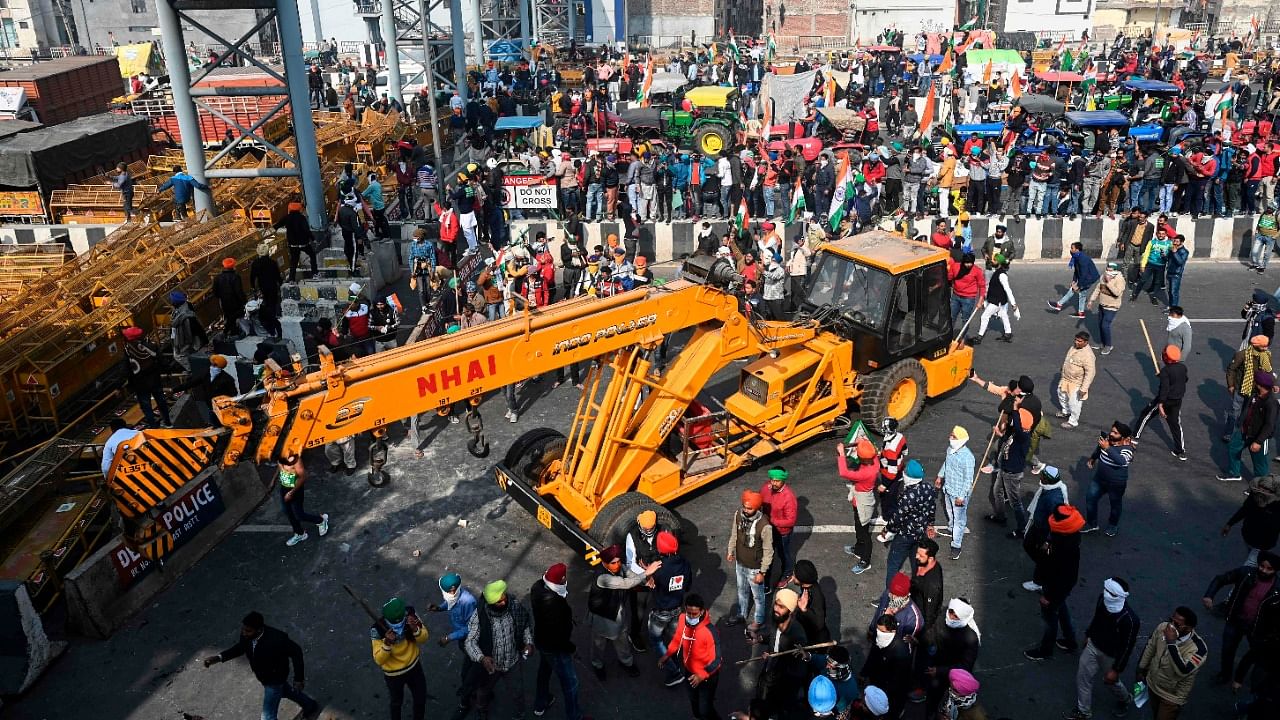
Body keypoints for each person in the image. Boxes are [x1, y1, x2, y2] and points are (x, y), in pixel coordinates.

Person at [202, 611, 319, 720]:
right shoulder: (246, 635)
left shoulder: (277, 639)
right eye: (243, 629)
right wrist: (218, 658)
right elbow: (240, 648)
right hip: (265, 678)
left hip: (274, 680)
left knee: (267, 717)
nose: (244, 633)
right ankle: (310, 705)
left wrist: (299, 679)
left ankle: (309, 705)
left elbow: (296, 652)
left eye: (248, 631)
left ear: (259, 630)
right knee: (285, 691)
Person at [1201, 551, 1279, 684]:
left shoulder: (1277, 589)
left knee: (1257, 653)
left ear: (1275, 570)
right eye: (1262, 566)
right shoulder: (1246, 573)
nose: (1264, 570)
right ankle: (1225, 675)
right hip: (1236, 620)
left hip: (1257, 627)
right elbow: (1221, 579)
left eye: (1269, 569)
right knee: (1227, 649)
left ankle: (1248, 679)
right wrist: (1209, 595)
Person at [1066, 578, 1140, 720]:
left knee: (1111, 682)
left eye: (1110, 593)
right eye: (1106, 590)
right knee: (1083, 677)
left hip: (1111, 656)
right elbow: (1097, 619)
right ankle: (1084, 711)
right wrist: (1089, 635)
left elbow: (1127, 647)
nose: (1106, 594)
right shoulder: (1102, 599)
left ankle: (1125, 699)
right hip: (1093, 646)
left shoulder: (1130, 620)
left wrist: (1116, 669)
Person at [462, 580, 533, 720]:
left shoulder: (515, 606)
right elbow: (470, 642)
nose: (503, 602)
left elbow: (525, 625)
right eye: (498, 602)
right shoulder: (479, 616)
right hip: (491, 667)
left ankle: (521, 714)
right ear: (490, 603)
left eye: (504, 598)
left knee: (518, 692)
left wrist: (528, 642)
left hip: (512, 662)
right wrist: (482, 658)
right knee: (483, 691)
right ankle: (482, 710)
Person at [588, 544, 660, 681]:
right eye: (613, 563)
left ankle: (627, 662)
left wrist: (645, 581)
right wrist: (647, 573)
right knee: (599, 643)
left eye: (618, 561)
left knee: (622, 640)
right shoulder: (602, 578)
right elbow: (625, 583)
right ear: (604, 563)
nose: (617, 565)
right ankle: (597, 665)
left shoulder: (621, 567)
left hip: (618, 613)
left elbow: (631, 576)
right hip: (602, 616)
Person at [1024, 504, 1084, 661]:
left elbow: (1062, 575)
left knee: (1050, 618)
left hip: (1054, 587)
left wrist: (1049, 597)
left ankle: (1046, 650)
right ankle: (1070, 640)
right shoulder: (1070, 537)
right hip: (1060, 587)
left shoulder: (1062, 548)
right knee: (1062, 609)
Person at [530, 563, 584, 720]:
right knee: (571, 683)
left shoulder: (537, 588)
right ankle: (574, 716)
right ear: (562, 579)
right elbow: (558, 637)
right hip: (555, 648)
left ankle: (541, 702)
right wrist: (571, 648)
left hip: (542, 641)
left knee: (544, 672)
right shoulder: (555, 603)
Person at [1135, 607, 1209, 720]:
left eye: (1177, 624)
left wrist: (1171, 643)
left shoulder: (1199, 649)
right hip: (1153, 683)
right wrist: (1141, 668)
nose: (1171, 626)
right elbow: (1150, 647)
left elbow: (1183, 670)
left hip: (1171, 695)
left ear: (1189, 628)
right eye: (1171, 620)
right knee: (1155, 713)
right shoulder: (1162, 627)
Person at [659, 593, 723, 720]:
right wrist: (667, 655)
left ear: (702, 611)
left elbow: (717, 660)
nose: (691, 617)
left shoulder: (710, 632)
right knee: (693, 700)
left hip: (706, 677)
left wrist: (702, 675)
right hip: (689, 671)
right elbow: (678, 638)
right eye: (689, 613)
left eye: (695, 614)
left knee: (705, 709)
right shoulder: (683, 618)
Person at [726, 489, 774, 643]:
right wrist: (730, 550)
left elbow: (768, 551)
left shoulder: (765, 526)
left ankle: (758, 621)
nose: (746, 511)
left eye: (749, 508)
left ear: (758, 508)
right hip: (740, 562)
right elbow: (734, 533)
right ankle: (742, 614)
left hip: (755, 568)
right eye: (744, 507)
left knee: (758, 597)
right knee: (741, 590)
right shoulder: (738, 515)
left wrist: (763, 572)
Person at [426, 573, 478, 715]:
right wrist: (439, 608)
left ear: (453, 589)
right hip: (464, 642)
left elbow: (471, 628)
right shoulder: (454, 597)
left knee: (468, 676)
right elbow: (449, 604)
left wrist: (449, 638)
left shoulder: (468, 602)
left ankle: (465, 704)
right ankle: (470, 690)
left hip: (472, 642)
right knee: (467, 673)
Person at [370, 597, 429, 720]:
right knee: (396, 703)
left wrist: (415, 629)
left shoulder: (411, 615)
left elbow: (424, 638)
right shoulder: (377, 630)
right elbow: (379, 660)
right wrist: (386, 644)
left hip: (414, 667)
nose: (399, 625)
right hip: (393, 675)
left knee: (420, 698)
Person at [880, 459, 936, 588]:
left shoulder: (908, 495)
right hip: (920, 534)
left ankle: (890, 597)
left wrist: (887, 529)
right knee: (917, 564)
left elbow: (898, 517)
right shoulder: (928, 488)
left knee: (893, 565)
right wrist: (930, 524)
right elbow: (931, 509)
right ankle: (917, 593)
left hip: (905, 535)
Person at [756, 588, 810, 717]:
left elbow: (798, 666)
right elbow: (774, 637)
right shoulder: (777, 620)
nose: (776, 609)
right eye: (776, 604)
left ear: (790, 611)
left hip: (783, 681)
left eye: (781, 606)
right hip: (770, 671)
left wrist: (774, 659)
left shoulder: (798, 635)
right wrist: (761, 639)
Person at [1217, 370, 1278, 483]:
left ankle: (1260, 487)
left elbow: (1269, 425)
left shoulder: (1271, 403)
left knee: (1260, 463)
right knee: (1233, 448)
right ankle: (1234, 473)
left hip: (1258, 436)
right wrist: (1240, 423)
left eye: (1256, 381)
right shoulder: (1255, 394)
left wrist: (1258, 441)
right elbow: (1247, 409)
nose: (1254, 382)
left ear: (1260, 385)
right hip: (1245, 430)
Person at [649, 530, 691, 687]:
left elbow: (651, 586)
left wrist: (648, 573)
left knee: (656, 640)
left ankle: (673, 672)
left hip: (661, 611)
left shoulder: (659, 568)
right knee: (675, 637)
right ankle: (677, 659)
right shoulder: (684, 563)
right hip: (677, 608)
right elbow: (687, 586)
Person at [1133, 345, 1189, 461]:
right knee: (1175, 424)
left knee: (1145, 415)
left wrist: (1161, 405)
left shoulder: (1165, 371)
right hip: (1177, 401)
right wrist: (1164, 377)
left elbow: (1164, 390)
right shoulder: (1182, 368)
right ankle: (1180, 451)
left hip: (1165, 400)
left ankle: (1134, 437)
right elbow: (1183, 379)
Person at [625, 509, 666, 654]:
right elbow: (631, 562)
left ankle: (660, 631)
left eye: (651, 529)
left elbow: (667, 554)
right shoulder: (632, 535)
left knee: (662, 606)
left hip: (659, 576)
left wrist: (655, 572)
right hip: (640, 579)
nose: (648, 531)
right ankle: (634, 634)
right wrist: (646, 575)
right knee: (638, 611)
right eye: (645, 529)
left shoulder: (663, 531)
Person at [1084, 421, 1135, 536]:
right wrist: (1093, 459)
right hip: (1099, 479)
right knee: (1090, 499)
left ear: (1123, 437)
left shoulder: (1127, 449)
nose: (1111, 434)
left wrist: (1107, 448)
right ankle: (1092, 524)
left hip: (1116, 484)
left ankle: (1113, 525)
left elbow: (1121, 461)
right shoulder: (1107, 440)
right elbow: (1099, 449)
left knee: (1115, 505)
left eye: (1115, 433)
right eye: (1112, 430)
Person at [986, 408, 1032, 535]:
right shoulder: (1017, 434)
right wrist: (999, 434)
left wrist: (1016, 411)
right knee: (997, 492)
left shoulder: (1023, 435)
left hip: (1012, 474)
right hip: (1004, 469)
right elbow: (1009, 442)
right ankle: (1000, 516)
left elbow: (1017, 425)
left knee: (1015, 502)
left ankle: (1022, 528)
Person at [838, 438, 879, 573]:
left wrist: (841, 454)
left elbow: (844, 472)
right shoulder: (875, 462)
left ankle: (865, 560)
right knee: (858, 526)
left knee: (864, 533)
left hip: (863, 503)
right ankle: (858, 548)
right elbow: (867, 444)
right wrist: (860, 442)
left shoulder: (864, 473)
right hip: (860, 500)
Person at [859, 615, 912, 719]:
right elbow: (872, 656)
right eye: (878, 629)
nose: (879, 633)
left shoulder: (901, 652)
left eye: (882, 631)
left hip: (890, 691)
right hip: (877, 682)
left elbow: (898, 681)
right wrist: (864, 673)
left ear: (892, 631)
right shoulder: (879, 639)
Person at [1221, 476, 1280, 567]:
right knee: (1253, 558)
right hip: (1248, 536)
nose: (1262, 490)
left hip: (1263, 543)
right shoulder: (1255, 495)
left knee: (1251, 565)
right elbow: (1244, 510)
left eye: (1266, 489)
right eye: (1261, 487)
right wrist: (1230, 523)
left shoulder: (1277, 504)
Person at [120, 326, 173, 427]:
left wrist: (119, 386)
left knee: (146, 407)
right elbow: (161, 360)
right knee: (161, 402)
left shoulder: (128, 351)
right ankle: (168, 422)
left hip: (140, 384)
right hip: (155, 380)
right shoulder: (151, 346)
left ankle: (154, 427)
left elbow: (125, 370)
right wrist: (167, 371)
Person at [935, 426, 974, 560]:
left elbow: (968, 480)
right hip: (949, 489)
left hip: (959, 495)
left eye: (953, 436)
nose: (950, 438)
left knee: (959, 520)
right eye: (951, 435)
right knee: (950, 512)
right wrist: (940, 476)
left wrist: (961, 496)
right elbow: (946, 464)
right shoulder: (950, 450)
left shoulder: (968, 458)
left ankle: (956, 546)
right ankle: (951, 528)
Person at [1223, 336, 1273, 440]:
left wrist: (1274, 384)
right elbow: (1231, 370)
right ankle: (1229, 433)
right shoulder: (1242, 355)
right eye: (1264, 346)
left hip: (1255, 390)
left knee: (1248, 413)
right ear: (1256, 345)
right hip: (1241, 388)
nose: (1266, 348)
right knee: (1235, 411)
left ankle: (1243, 432)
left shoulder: (1266, 356)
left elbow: (1269, 372)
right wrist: (1231, 385)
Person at [275, 453, 329, 546]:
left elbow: (303, 476)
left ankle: (320, 520)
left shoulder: (295, 459)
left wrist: (291, 493)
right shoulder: (280, 455)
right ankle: (300, 533)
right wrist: (273, 481)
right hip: (284, 488)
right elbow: (279, 469)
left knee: (299, 515)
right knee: (288, 512)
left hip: (295, 490)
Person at [760, 467, 798, 588]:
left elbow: (790, 521)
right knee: (767, 553)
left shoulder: (789, 497)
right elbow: (760, 501)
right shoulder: (766, 488)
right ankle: (766, 577)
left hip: (782, 533)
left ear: (783, 480)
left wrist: (772, 521)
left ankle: (787, 574)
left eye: (777, 480)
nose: (773, 483)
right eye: (772, 479)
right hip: (768, 529)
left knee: (784, 554)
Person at [970, 253, 1018, 345]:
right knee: (1004, 316)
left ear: (999, 263)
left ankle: (979, 337)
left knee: (984, 316)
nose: (992, 261)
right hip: (1001, 301)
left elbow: (1008, 289)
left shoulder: (1002, 275)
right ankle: (1008, 333)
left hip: (997, 301)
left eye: (994, 260)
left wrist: (1014, 304)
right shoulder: (998, 272)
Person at [1048, 242, 1100, 318]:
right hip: (1086, 277)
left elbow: (1084, 274)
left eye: (1072, 248)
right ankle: (1081, 313)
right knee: (1082, 294)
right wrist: (1074, 281)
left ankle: (1059, 304)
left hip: (1090, 278)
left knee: (1074, 290)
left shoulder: (1083, 259)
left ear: (1077, 249)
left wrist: (1078, 285)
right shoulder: (1076, 257)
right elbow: (1077, 270)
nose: (1070, 249)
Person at [1056, 331, 1097, 429]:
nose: (1076, 342)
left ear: (1086, 342)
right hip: (1066, 379)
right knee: (1062, 395)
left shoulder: (1088, 355)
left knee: (1074, 403)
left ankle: (1073, 421)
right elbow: (1068, 359)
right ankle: (1066, 411)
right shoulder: (1073, 347)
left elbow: (1090, 373)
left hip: (1077, 383)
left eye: (1079, 341)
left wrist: (1084, 388)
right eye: (1076, 340)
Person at [868, 572, 923, 641]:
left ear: (906, 595)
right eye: (892, 593)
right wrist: (872, 629)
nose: (893, 597)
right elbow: (878, 612)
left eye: (897, 595)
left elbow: (906, 645)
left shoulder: (913, 618)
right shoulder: (887, 594)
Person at [1086, 262, 1126, 356]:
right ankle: (1102, 343)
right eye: (1107, 270)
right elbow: (1098, 288)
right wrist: (1091, 300)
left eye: (1110, 270)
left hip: (1112, 307)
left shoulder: (1120, 279)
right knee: (1100, 325)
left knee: (1105, 325)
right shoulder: (1103, 276)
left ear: (1115, 271)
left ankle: (1108, 345)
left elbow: (1117, 293)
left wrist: (1108, 282)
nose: (1108, 272)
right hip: (1102, 305)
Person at [250, 242, 283, 338]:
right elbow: (277, 275)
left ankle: (271, 327)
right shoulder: (272, 262)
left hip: (262, 288)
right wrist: (281, 284)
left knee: (266, 306)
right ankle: (275, 324)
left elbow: (252, 277)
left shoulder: (255, 263)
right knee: (273, 305)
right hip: (272, 287)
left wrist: (253, 288)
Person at [212, 257, 248, 339]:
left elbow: (215, 292)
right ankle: (232, 333)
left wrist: (222, 297)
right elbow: (239, 291)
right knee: (235, 317)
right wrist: (244, 301)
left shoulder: (217, 278)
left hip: (224, 303)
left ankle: (232, 333)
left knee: (229, 317)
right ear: (233, 266)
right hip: (236, 302)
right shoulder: (235, 277)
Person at [285, 202, 318, 281]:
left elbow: (277, 225)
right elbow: (307, 230)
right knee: (312, 255)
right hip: (303, 244)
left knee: (294, 262)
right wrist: (313, 239)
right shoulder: (301, 218)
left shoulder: (287, 217)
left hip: (293, 245)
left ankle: (291, 279)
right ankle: (315, 273)